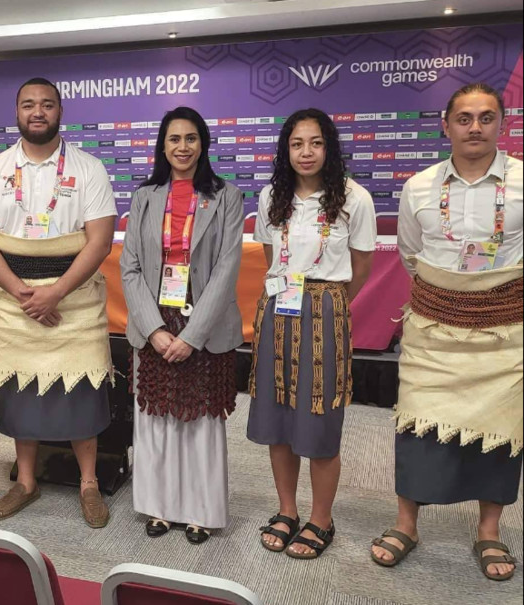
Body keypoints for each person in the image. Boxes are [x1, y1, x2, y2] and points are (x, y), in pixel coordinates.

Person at [371, 82, 522, 581]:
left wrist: (485, 303)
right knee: (416, 425)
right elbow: (414, 258)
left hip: (504, 336)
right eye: (464, 118)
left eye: (485, 117)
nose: (474, 127)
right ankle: (406, 524)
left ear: (502, 123)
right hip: (433, 334)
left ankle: (489, 531)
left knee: (499, 433)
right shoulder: (419, 186)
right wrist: (454, 300)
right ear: (446, 125)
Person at [0, 77, 117, 528]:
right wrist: (22, 292)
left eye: (47, 105)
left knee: (83, 393)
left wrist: (55, 292)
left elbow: (100, 241)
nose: (38, 112)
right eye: (29, 105)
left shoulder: (89, 168)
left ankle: (89, 484)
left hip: (74, 301)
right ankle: (26, 481)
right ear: (16, 113)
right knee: (22, 392)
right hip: (14, 301)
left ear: (60, 112)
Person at [248, 108, 376, 558]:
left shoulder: (354, 198)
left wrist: (327, 301)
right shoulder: (270, 197)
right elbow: (270, 257)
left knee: (320, 419)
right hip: (277, 310)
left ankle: (321, 519)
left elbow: (362, 267)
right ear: (286, 149)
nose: (306, 152)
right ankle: (287, 510)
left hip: (326, 310)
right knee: (279, 418)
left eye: (316, 143)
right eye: (297, 143)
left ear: (330, 148)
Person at [120, 106, 243, 545]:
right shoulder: (145, 196)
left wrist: (192, 336)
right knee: (156, 418)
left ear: (203, 144)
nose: (183, 147)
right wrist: (153, 329)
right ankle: (159, 507)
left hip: (203, 323)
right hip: (155, 318)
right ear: (163, 145)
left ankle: (200, 512)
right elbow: (130, 267)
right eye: (174, 139)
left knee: (200, 421)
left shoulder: (227, 196)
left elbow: (227, 269)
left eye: (191, 138)